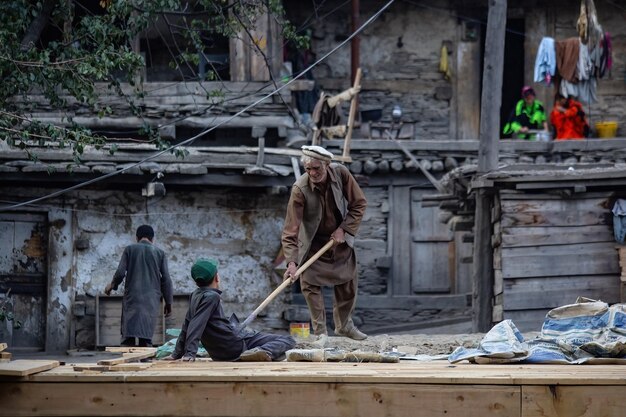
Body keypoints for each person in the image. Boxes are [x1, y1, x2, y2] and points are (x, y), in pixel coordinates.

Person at [282, 145, 368, 342]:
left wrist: (344, 229)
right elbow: (290, 230)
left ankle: (344, 325)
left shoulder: (341, 174)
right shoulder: (299, 190)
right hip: (313, 244)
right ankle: (320, 332)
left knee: (348, 280)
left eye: (316, 169)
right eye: (308, 169)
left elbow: (359, 204)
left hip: (338, 240)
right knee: (310, 285)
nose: (312, 173)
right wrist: (292, 262)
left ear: (327, 165)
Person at [163, 258, 295, 362]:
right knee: (288, 341)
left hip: (222, 350)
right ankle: (257, 352)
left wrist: (176, 354)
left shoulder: (195, 295)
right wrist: (189, 354)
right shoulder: (212, 297)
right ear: (216, 277)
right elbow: (196, 324)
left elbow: (187, 324)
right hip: (234, 344)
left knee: (270, 340)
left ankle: (257, 352)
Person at [105, 224, 173, 347]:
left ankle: (129, 363)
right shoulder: (160, 253)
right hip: (151, 299)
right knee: (145, 338)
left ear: (137, 238)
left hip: (132, 297)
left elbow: (120, 272)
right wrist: (168, 302)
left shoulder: (129, 249)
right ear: (152, 239)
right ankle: (145, 361)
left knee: (128, 339)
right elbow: (166, 279)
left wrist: (112, 285)